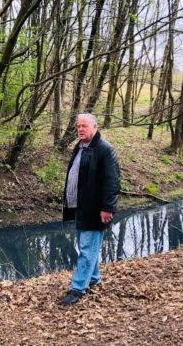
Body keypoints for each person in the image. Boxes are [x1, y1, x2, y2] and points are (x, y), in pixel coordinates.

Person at [58, 113, 120, 306]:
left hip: (95, 209)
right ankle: (93, 279)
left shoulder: (104, 149)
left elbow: (112, 182)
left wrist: (107, 208)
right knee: (87, 246)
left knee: (86, 248)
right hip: (80, 207)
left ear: (94, 126)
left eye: (84, 126)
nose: (80, 129)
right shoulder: (80, 147)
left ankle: (78, 288)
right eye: (78, 126)